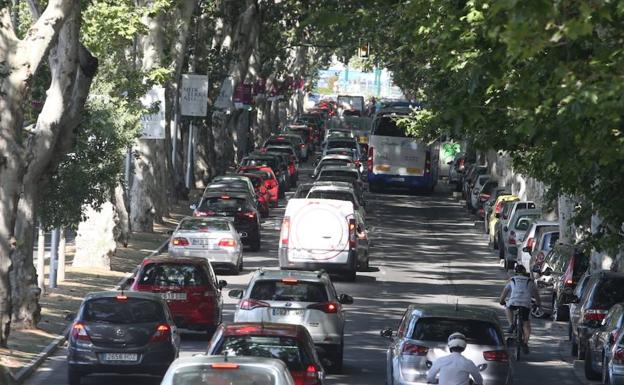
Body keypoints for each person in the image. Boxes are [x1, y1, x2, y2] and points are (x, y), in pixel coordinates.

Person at [499, 264, 541, 353]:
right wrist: (538, 304)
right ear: (524, 272)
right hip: (526, 303)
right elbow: (536, 295)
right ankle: (525, 342)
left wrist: (501, 301)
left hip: (514, 302)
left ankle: (511, 324)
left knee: (508, 308)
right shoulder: (530, 281)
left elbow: (505, 292)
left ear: (515, 272)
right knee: (526, 324)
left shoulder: (512, 279)